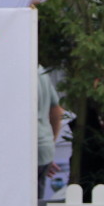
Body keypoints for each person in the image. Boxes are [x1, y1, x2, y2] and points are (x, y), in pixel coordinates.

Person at [36, 66, 61, 196]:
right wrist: (50, 143)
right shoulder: (40, 70)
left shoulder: (15, 68)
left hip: (23, 149)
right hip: (44, 146)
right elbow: (57, 110)